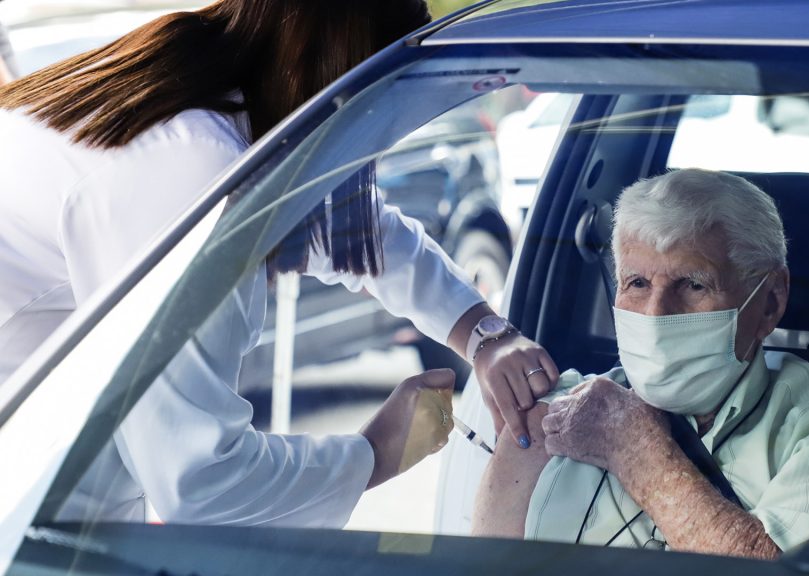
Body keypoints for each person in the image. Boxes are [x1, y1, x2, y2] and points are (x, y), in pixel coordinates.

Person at [0, 0, 556, 527]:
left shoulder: (209, 90)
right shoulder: (190, 172)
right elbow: (197, 481)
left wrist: (486, 334)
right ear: (340, 71)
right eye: (388, 107)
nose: (390, 136)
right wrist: (378, 452)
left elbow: (359, 230)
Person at [472, 169, 809, 557]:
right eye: (637, 283)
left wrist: (636, 451)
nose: (655, 314)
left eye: (693, 284)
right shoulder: (557, 413)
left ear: (770, 302)